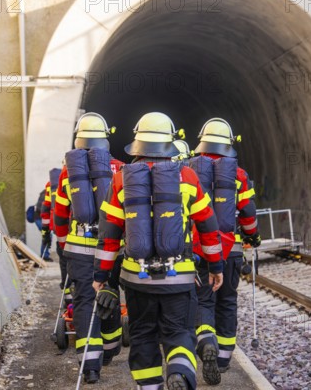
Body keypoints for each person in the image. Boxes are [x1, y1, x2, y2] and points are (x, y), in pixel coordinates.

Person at [92, 112, 224, 390]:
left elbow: (109, 235)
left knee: (142, 336)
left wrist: (102, 277)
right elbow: (209, 226)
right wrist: (216, 267)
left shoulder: (121, 181)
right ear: (170, 143)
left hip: (136, 279)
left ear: (137, 143)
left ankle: (150, 386)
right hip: (179, 277)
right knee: (180, 333)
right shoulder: (187, 177)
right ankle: (177, 371)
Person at [54, 112, 123, 384]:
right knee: (110, 296)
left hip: (79, 249)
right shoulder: (120, 169)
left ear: (78, 139)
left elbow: (60, 213)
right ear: (106, 138)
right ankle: (109, 349)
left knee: (83, 301)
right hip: (112, 249)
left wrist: (62, 243)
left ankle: (90, 365)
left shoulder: (67, 173)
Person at [191, 118, 260, 380]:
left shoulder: (189, 171)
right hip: (230, 251)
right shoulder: (239, 175)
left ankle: (206, 339)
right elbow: (248, 214)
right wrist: (253, 237)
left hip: (200, 251)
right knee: (228, 302)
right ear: (229, 144)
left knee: (205, 299)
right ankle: (222, 359)